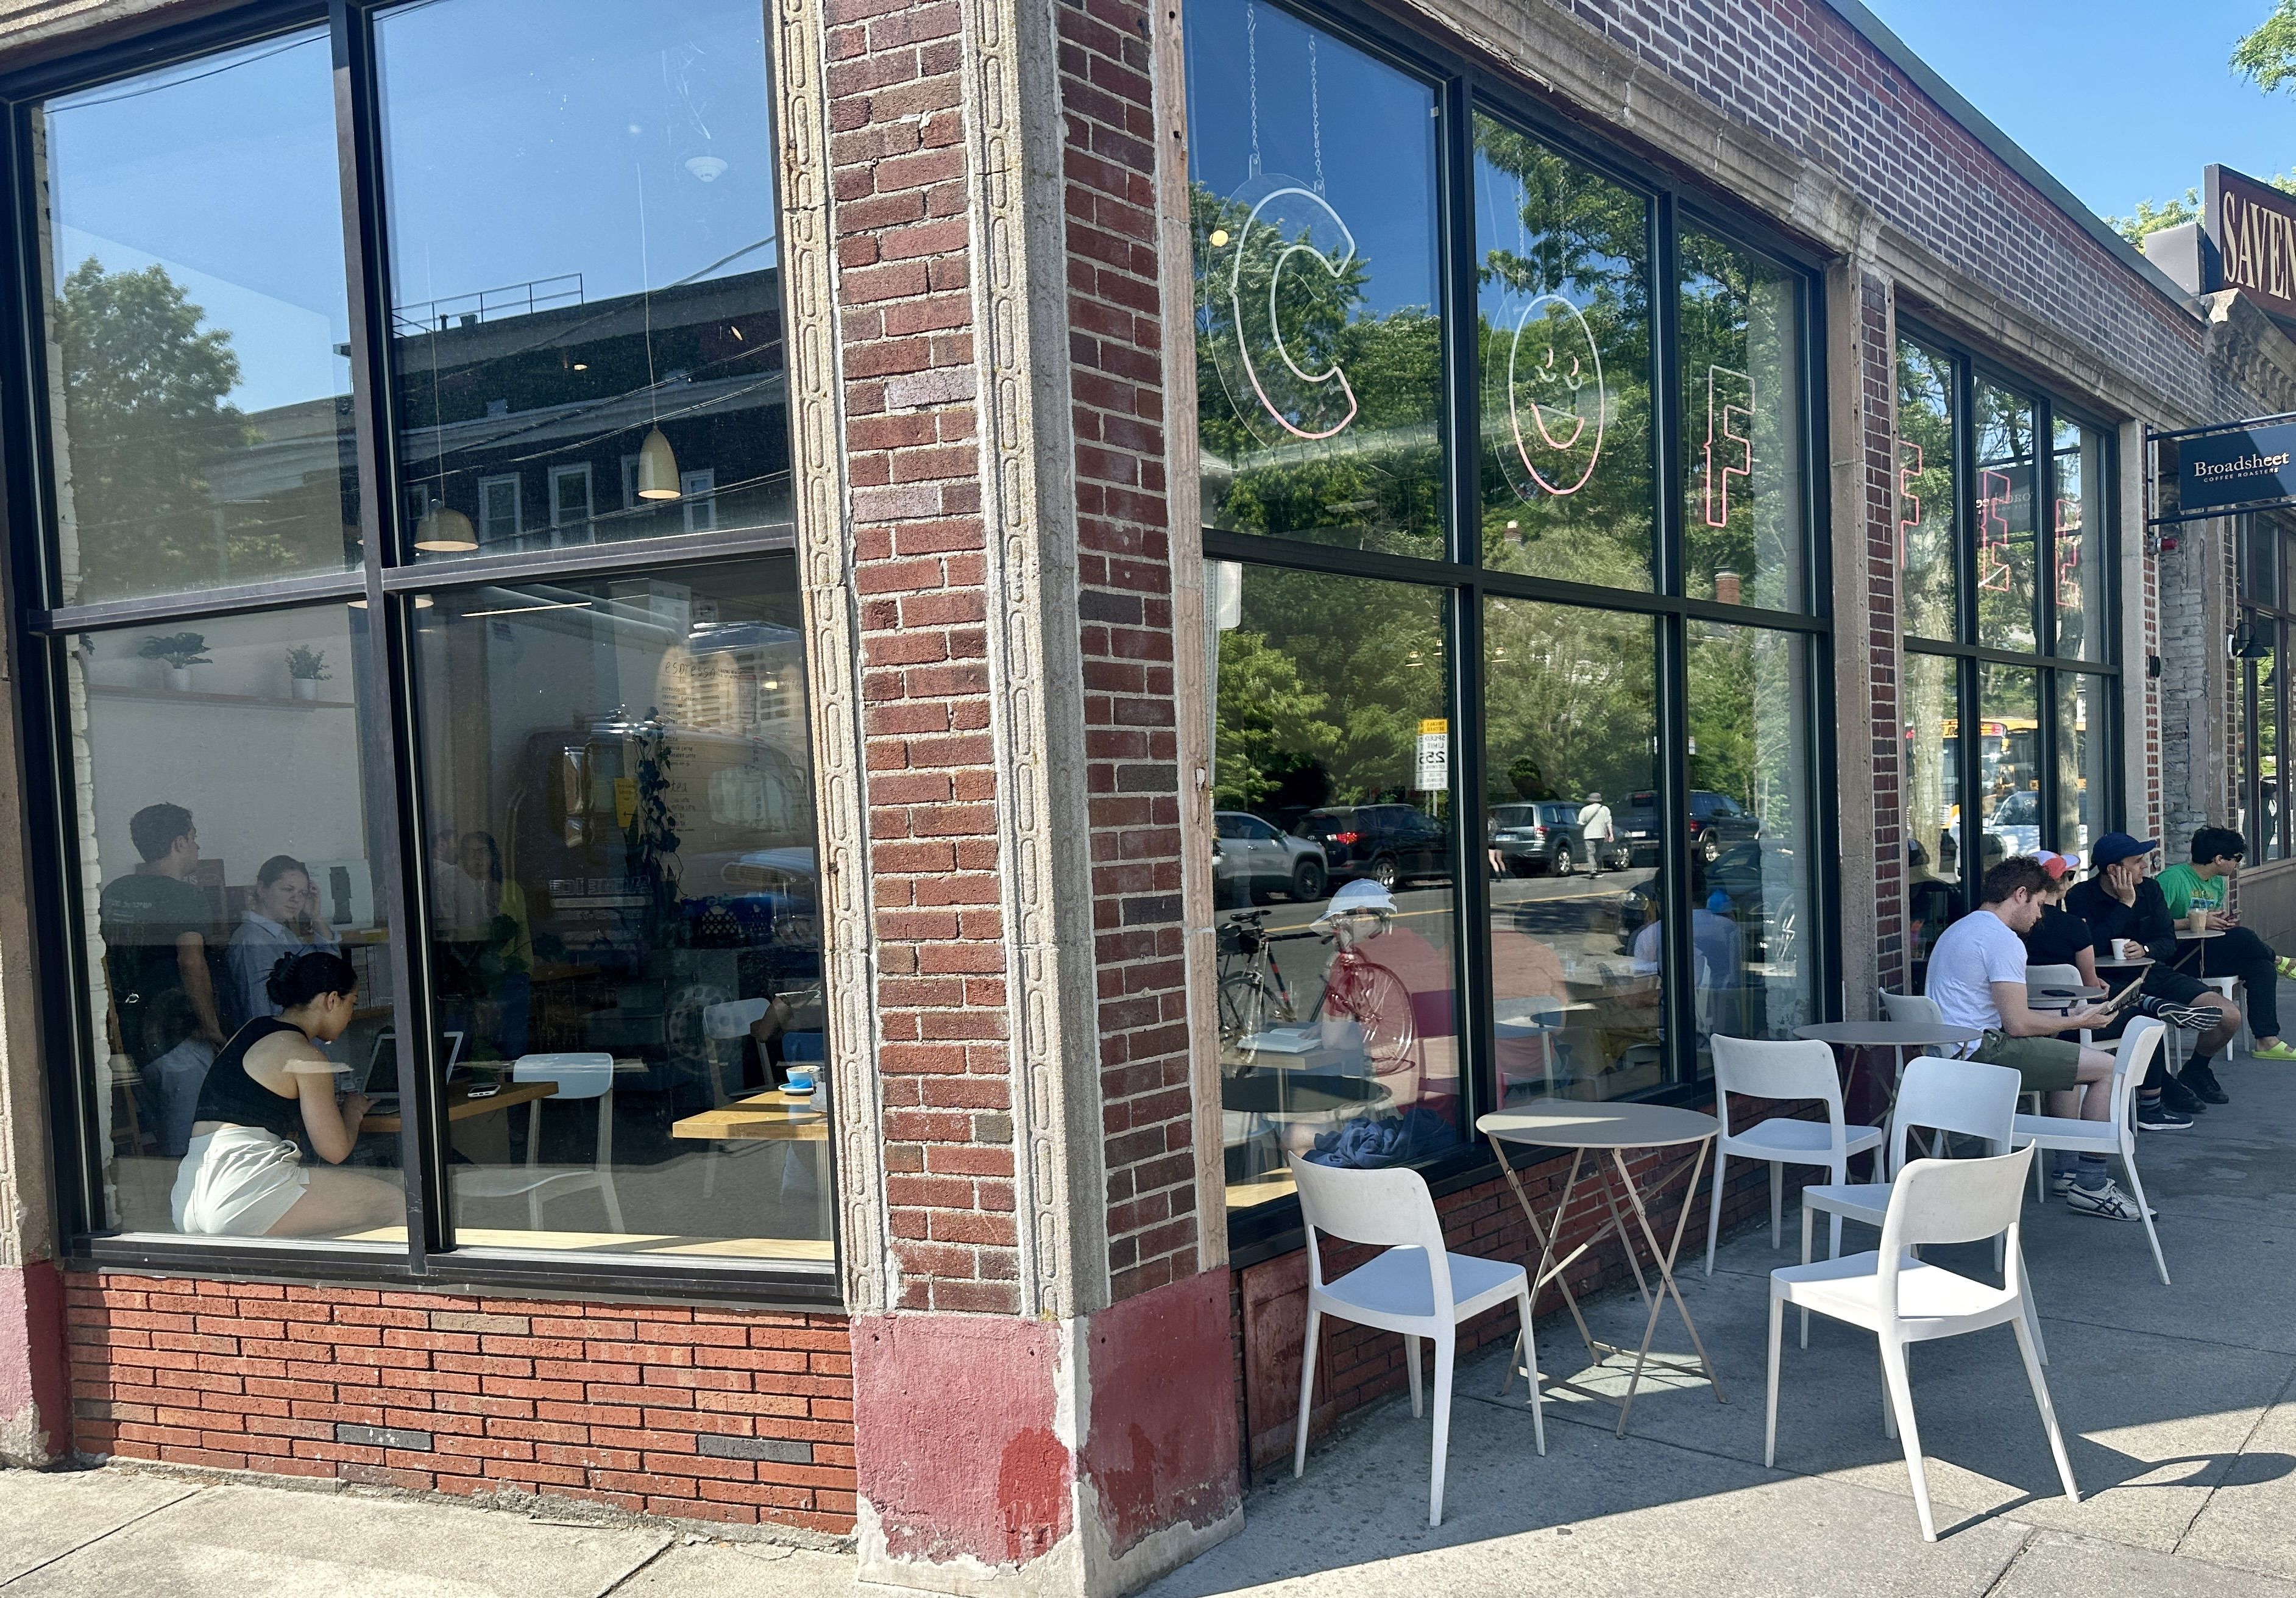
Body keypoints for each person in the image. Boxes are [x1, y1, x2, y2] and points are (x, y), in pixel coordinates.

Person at [1926, 856, 2147, 1218]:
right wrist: (2076, 1021)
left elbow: (2007, 1016)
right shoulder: (2003, 940)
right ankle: (2091, 1185)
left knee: (2066, 1060)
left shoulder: (1960, 928)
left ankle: (2068, 1170)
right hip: (1981, 1052)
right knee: (2107, 1068)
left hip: (1949, 1052)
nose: (2040, 915)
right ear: (2021, 894)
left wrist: (2067, 1021)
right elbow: (2017, 1025)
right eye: (2040, 904)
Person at [170, 951, 402, 1238]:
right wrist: (353, 1111)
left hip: (190, 1193)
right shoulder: (306, 1057)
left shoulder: (249, 1030)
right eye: (352, 1003)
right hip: (246, 1188)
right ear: (332, 1000)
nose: (351, 1015)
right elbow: (335, 1150)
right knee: (399, 1205)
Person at [2066, 833, 2244, 1115]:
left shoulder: (2151, 889)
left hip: (2151, 971)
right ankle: (2165, 1082)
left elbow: (2167, 940)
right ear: (2113, 869)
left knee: (2228, 1015)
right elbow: (2090, 943)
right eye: (2137, 861)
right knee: (2146, 1020)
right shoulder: (2080, 896)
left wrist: (2146, 948)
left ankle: (2196, 1069)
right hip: (2106, 980)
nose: (2145, 866)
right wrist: (2125, 905)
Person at [100, 803, 227, 1159]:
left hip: (125, 1039)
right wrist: (212, 1027)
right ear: (178, 843)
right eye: (193, 837)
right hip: (175, 1037)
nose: (197, 846)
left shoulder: (114, 892)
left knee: (154, 1144)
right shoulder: (186, 896)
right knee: (188, 1153)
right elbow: (191, 962)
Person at [2156, 824, 2296, 1065]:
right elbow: (2153, 926)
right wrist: (2191, 922)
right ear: (2219, 859)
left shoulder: (2218, 883)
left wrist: (2220, 922)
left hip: (2205, 951)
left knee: (2260, 967)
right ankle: (2279, 960)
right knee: (2243, 936)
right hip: (2176, 955)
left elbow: (2208, 923)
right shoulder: (2171, 880)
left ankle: (2267, 1040)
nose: (2238, 865)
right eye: (2237, 859)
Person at [227, 855, 341, 1025]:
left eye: (303, 893)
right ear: (262, 889)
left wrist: (316, 917)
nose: (296, 899)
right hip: (280, 1038)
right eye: (288, 890)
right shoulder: (253, 941)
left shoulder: (286, 935)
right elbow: (259, 1013)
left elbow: (330, 972)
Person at [1577, 791, 1615, 876]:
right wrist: (1611, 835)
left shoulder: (1585, 810)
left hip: (1588, 835)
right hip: (1601, 834)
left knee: (1590, 853)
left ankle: (1592, 870)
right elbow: (1608, 823)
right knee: (1598, 852)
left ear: (1590, 800)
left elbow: (1581, 823)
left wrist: (1581, 832)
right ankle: (1598, 869)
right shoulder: (1605, 809)